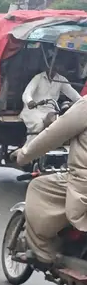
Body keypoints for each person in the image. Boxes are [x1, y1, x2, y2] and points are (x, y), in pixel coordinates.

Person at [13, 96, 87, 264]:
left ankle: (45, 252)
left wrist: (23, 155)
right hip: (38, 112)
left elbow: (53, 134)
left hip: (82, 184)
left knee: (38, 186)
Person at [21, 60, 81, 138]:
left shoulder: (61, 79)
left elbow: (73, 94)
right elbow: (27, 93)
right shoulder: (38, 78)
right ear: (47, 66)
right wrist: (30, 102)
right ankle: (28, 149)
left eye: (57, 66)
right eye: (52, 65)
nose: (54, 68)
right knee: (38, 125)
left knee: (58, 125)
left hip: (50, 110)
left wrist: (82, 102)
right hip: (33, 110)